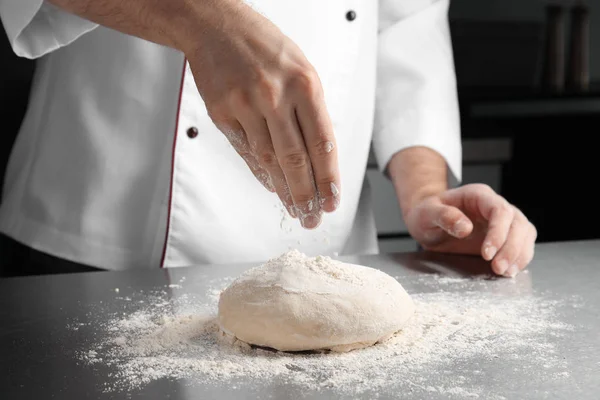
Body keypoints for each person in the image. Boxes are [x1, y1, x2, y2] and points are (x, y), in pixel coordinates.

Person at [0, 0, 536, 278]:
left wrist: (426, 196)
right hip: (95, 231)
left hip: (325, 256)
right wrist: (206, 23)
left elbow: (406, 19)